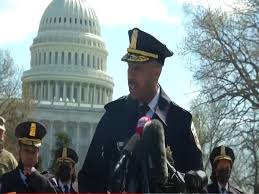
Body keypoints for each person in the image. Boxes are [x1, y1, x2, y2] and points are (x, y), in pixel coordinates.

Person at [78, 27, 203, 192]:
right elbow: (88, 177)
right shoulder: (113, 115)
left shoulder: (180, 121)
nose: (130, 76)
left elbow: (199, 183)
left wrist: (174, 181)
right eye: (129, 67)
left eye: (137, 69)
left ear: (156, 71)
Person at [1, 121, 57, 193]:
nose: (30, 156)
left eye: (33, 152)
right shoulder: (6, 180)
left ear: (38, 155)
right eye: (26, 151)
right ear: (20, 152)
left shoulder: (45, 183)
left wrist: (37, 179)